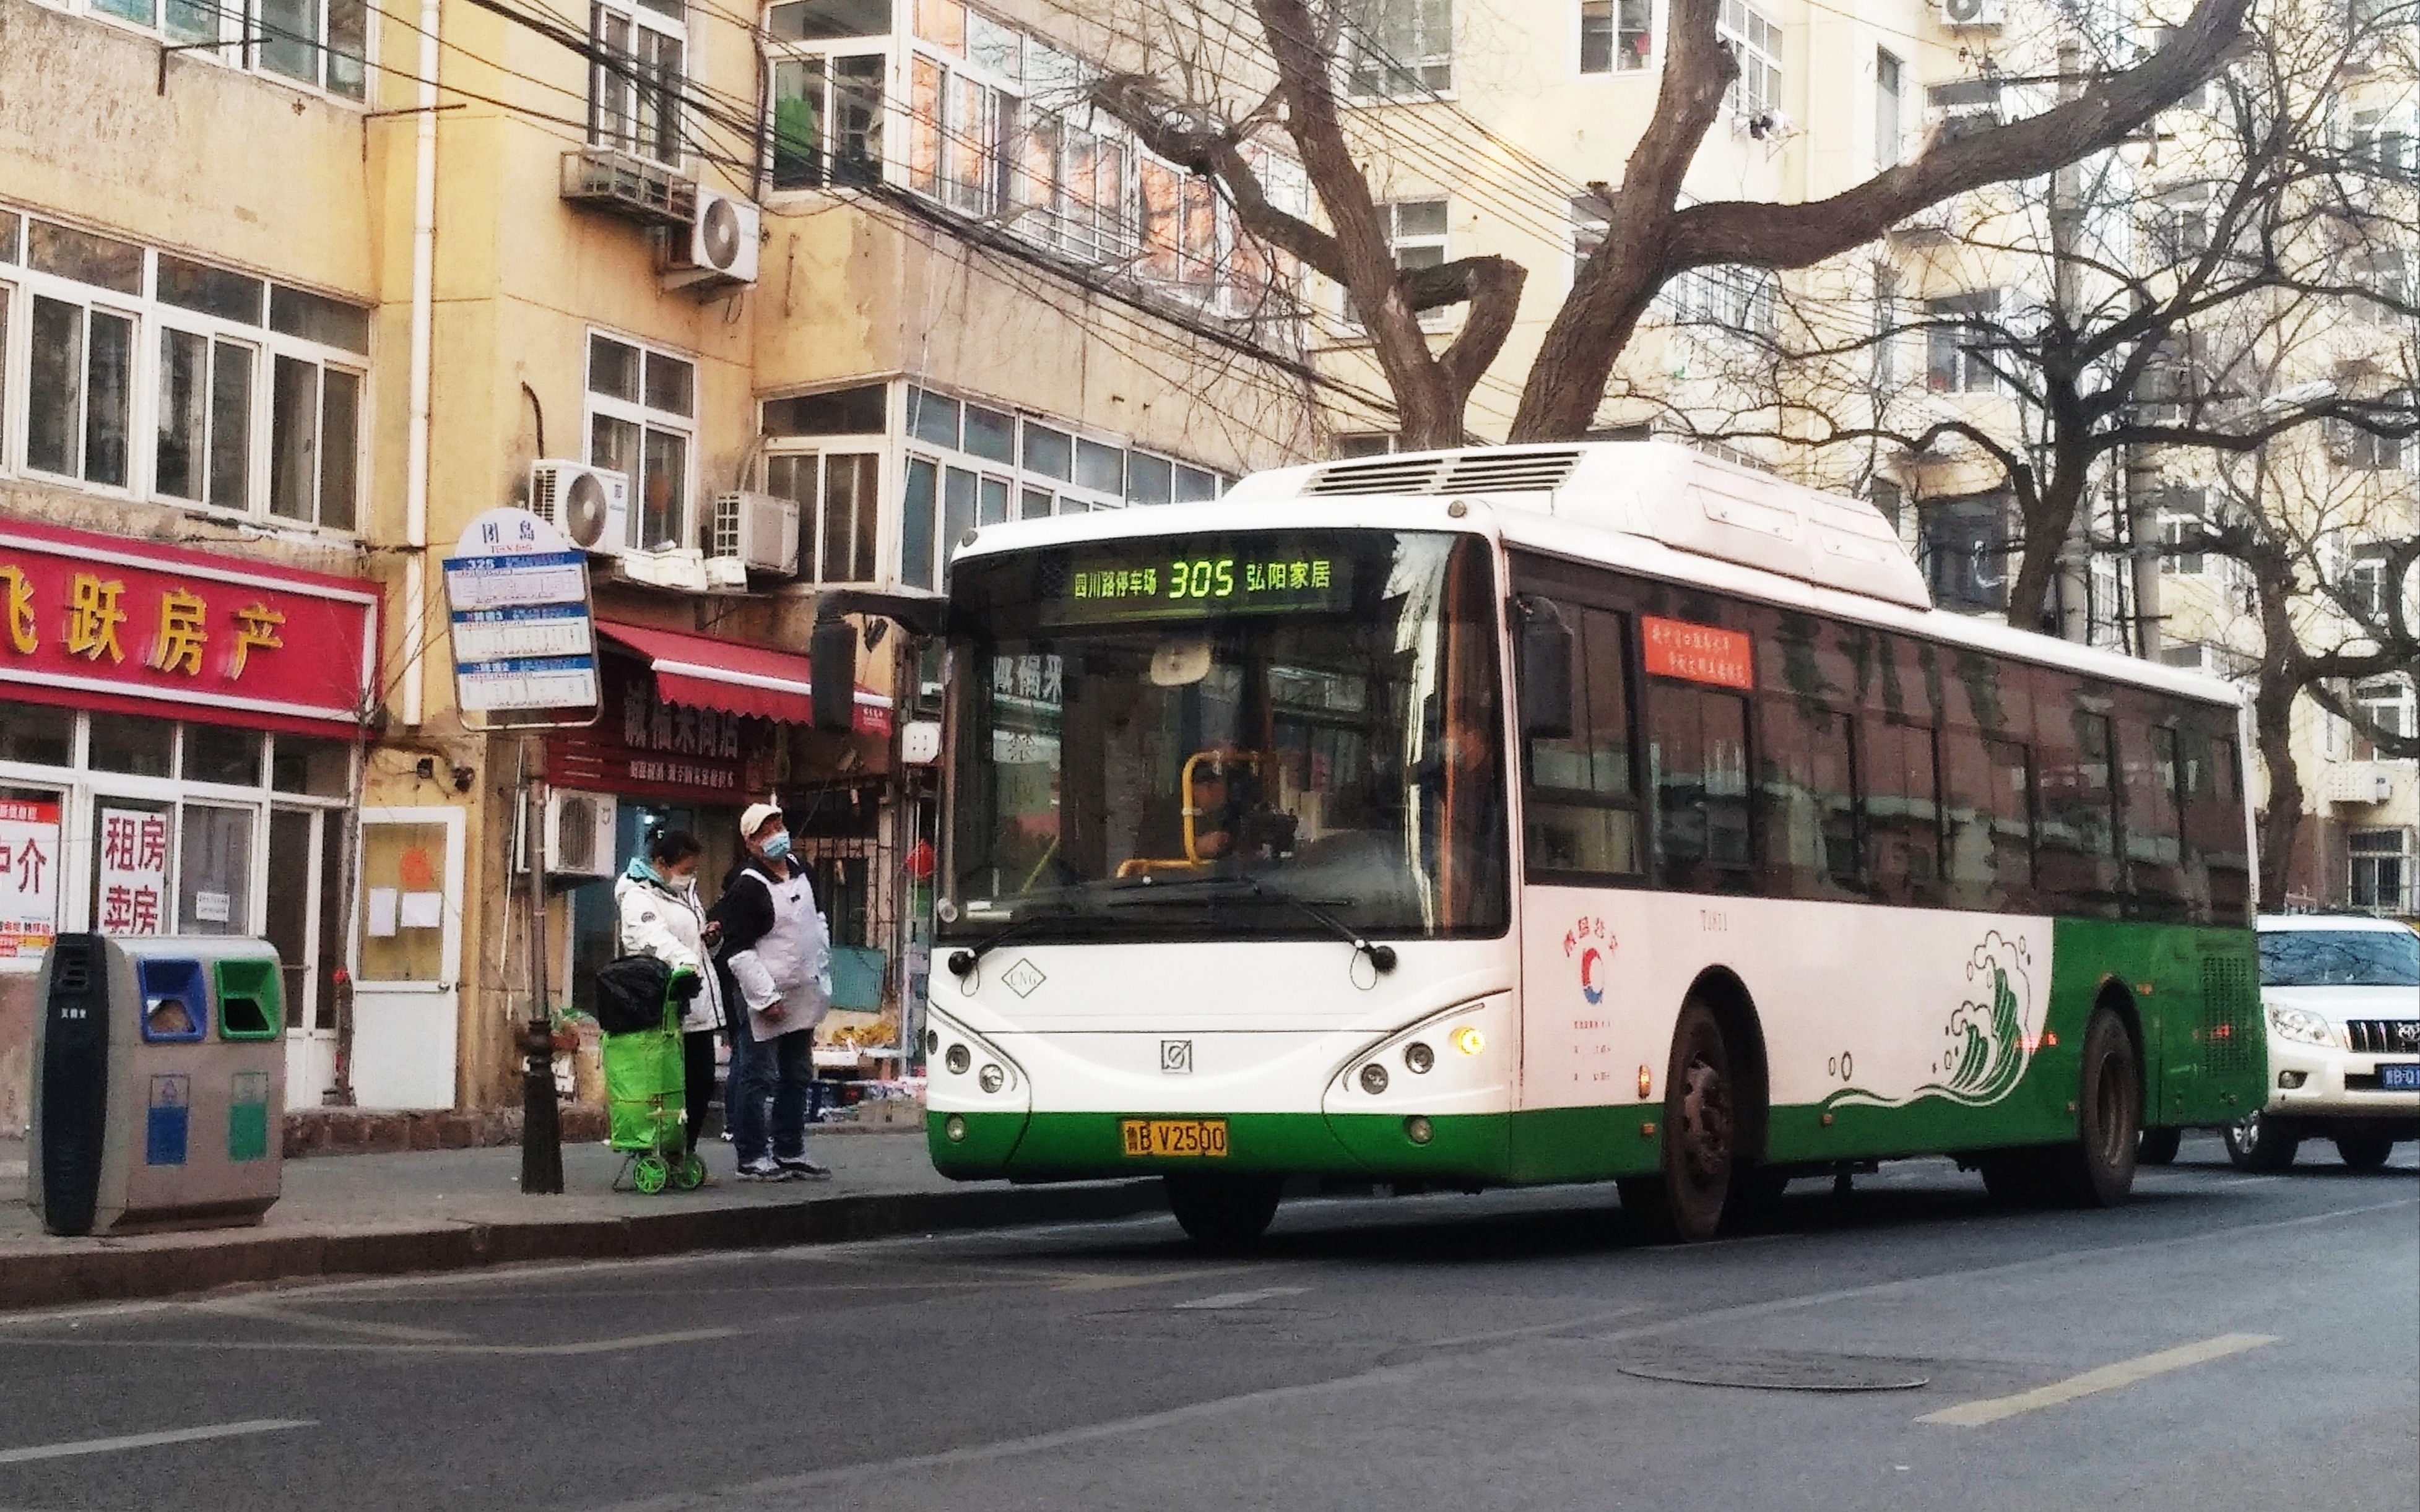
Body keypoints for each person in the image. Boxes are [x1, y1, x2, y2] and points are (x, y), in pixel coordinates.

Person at [710, 801, 834, 1182]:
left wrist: (822, 976)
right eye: (765, 832)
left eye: (778, 825)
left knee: (797, 1075)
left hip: (804, 994)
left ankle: (789, 1149)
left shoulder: (804, 872)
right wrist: (766, 998)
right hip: (763, 998)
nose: (776, 835)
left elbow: (818, 924)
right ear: (750, 843)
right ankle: (751, 1157)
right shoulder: (748, 885)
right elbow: (737, 950)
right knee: (756, 1075)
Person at [614, 828, 726, 1175]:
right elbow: (653, 938)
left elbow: (692, 940)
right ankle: (663, 1149)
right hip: (664, 1004)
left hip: (697, 1004)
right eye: (685, 868)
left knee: (700, 1082)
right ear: (661, 863)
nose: (690, 875)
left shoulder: (684, 891)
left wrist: (708, 940)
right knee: (668, 1086)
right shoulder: (637, 894)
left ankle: (684, 1150)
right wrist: (686, 962)